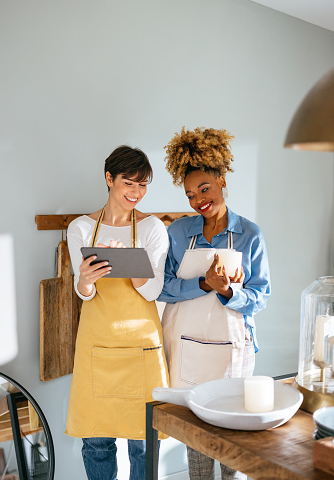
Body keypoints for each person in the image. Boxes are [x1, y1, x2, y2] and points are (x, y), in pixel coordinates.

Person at [158, 127, 271, 480]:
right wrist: (204, 283)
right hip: (187, 350)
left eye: (203, 189)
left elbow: (260, 296)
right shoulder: (178, 232)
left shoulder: (250, 234)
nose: (197, 201)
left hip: (232, 350)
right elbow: (162, 288)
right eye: (190, 194)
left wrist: (228, 292)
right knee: (197, 440)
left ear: (222, 178)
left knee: (231, 438)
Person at [65, 145, 169, 480]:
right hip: (97, 346)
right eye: (129, 183)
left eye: (143, 185)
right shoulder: (81, 228)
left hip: (142, 347)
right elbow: (84, 294)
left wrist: (132, 262)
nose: (136, 192)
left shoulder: (153, 229)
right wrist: (85, 279)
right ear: (109, 179)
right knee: (96, 442)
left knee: (143, 442)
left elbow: (153, 291)